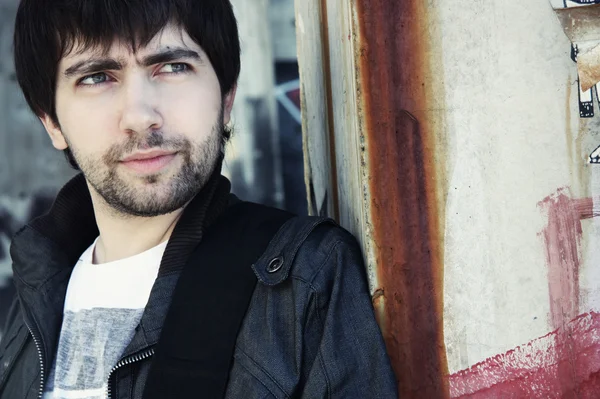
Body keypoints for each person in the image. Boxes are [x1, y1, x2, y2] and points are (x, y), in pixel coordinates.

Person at [0, 1, 398, 398]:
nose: (140, 116)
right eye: (96, 77)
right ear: (51, 122)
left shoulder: (304, 278)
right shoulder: (29, 296)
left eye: (173, 67)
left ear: (226, 98)